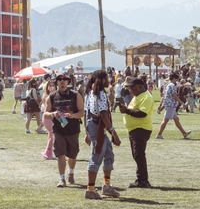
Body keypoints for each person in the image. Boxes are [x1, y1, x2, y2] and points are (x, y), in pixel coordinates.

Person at [83, 70, 121, 198]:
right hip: (97, 125)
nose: (109, 80)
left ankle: (107, 185)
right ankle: (90, 189)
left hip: (93, 125)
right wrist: (114, 133)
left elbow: (86, 114)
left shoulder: (90, 92)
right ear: (103, 79)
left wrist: (87, 132)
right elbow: (104, 115)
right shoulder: (100, 93)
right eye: (107, 78)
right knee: (97, 155)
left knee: (108, 153)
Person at [43, 73, 85, 188]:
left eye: (64, 79)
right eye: (59, 79)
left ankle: (70, 172)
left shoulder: (76, 95)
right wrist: (53, 114)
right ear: (56, 82)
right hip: (58, 130)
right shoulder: (51, 97)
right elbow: (45, 114)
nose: (62, 81)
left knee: (72, 155)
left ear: (68, 82)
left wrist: (72, 115)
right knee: (60, 153)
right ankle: (62, 179)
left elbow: (82, 112)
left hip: (73, 129)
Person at [117, 76, 154, 188]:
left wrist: (126, 111)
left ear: (140, 86)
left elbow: (142, 113)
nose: (130, 90)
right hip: (135, 129)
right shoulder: (138, 96)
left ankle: (142, 180)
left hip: (141, 128)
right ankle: (141, 179)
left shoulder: (146, 97)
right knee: (137, 154)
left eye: (132, 88)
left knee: (139, 154)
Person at [156, 72, 191, 140]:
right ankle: (159, 134)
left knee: (176, 119)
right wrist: (182, 103)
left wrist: (161, 104)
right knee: (165, 120)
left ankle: (184, 133)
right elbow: (175, 96)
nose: (177, 80)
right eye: (176, 79)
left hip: (168, 104)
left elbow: (163, 96)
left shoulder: (167, 85)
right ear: (174, 78)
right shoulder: (172, 86)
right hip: (171, 105)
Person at [40, 79, 56, 160]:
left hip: (52, 117)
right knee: (53, 135)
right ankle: (48, 152)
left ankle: (48, 152)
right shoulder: (46, 95)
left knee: (51, 135)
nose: (52, 87)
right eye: (50, 85)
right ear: (47, 86)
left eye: (53, 85)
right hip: (47, 117)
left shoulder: (54, 95)